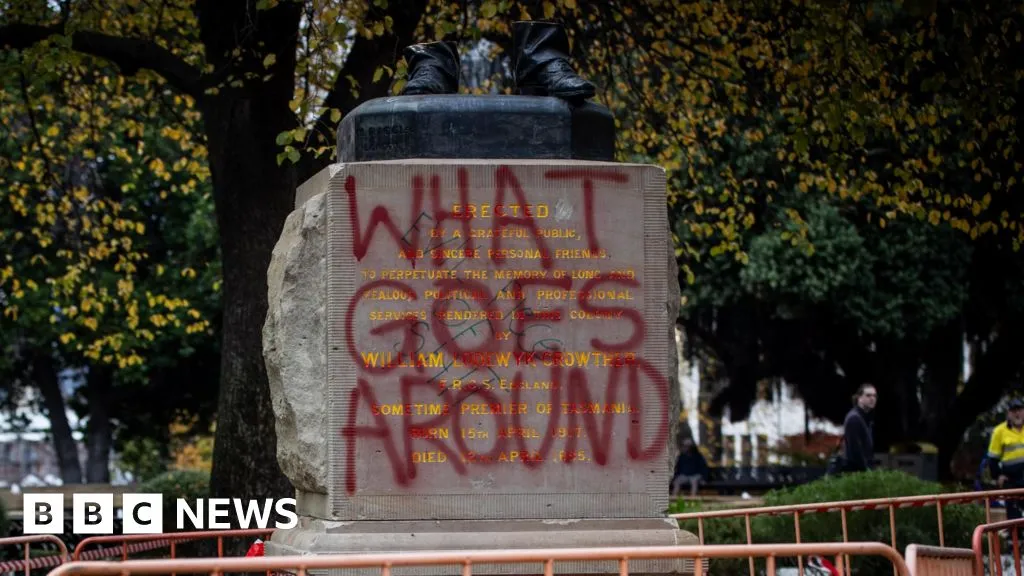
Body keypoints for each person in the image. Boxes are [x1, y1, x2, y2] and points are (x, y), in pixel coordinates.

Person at [987, 398, 1024, 524]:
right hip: (1011, 479)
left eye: (1019, 410)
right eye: (1014, 411)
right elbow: (992, 459)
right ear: (1008, 413)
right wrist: (998, 476)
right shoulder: (999, 431)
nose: (1017, 414)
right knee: (1014, 514)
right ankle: (1014, 541)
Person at [842, 383, 877, 473]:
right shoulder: (855, 418)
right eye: (868, 395)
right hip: (856, 473)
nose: (872, 398)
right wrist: (866, 471)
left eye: (874, 396)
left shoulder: (864, 418)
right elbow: (855, 450)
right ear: (859, 398)